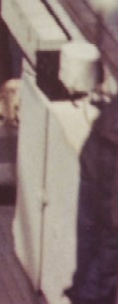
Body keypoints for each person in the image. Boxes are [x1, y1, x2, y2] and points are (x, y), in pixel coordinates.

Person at [66, 95, 118, 304]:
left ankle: (84, 292)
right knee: (110, 240)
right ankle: (90, 296)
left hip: (98, 145)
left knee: (90, 235)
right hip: (109, 155)